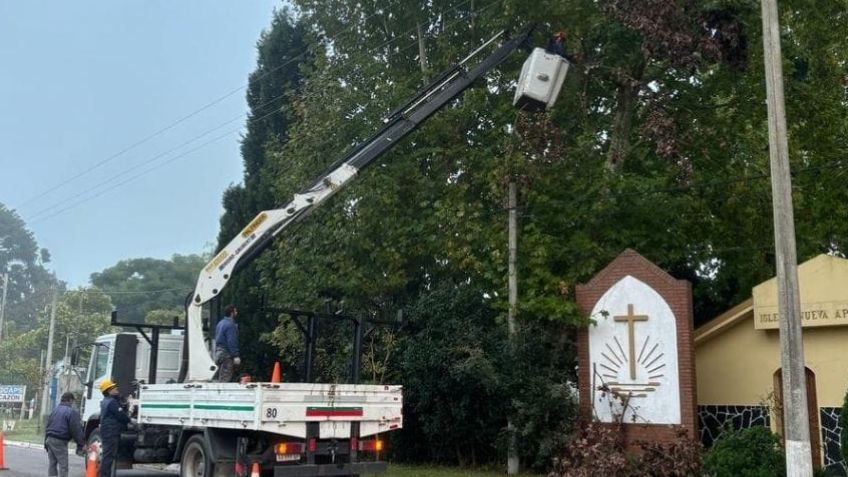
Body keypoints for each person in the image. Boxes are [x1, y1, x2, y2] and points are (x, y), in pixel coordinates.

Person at [45, 392, 85, 477]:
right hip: (60, 440)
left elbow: (48, 425)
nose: (73, 403)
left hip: (49, 439)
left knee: (52, 464)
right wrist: (81, 444)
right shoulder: (71, 412)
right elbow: (76, 430)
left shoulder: (55, 410)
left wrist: (45, 442)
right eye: (73, 401)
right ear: (70, 400)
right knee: (63, 465)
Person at [99, 379, 130, 477]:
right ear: (108, 391)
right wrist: (129, 420)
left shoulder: (105, 401)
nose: (116, 388)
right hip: (111, 432)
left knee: (107, 455)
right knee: (108, 456)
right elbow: (121, 416)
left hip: (107, 431)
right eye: (113, 387)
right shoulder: (112, 402)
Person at [214, 305, 241, 382]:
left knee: (219, 377)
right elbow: (231, 341)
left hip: (218, 353)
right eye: (235, 311)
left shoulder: (220, 323)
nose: (236, 312)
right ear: (232, 313)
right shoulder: (230, 325)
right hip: (226, 354)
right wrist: (235, 355)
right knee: (225, 379)